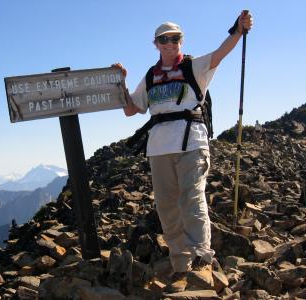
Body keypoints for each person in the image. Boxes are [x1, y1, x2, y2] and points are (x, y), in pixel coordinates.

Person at [114, 11, 253, 291]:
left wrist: (238, 30)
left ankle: (202, 259)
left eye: (175, 38)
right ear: (156, 43)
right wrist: (120, 80)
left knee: (191, 199)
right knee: (166, 208)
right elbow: (131, 109)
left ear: (181, 40)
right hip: (159, 149)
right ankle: (180, 265)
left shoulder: (195, 67)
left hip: (192, 143)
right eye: (164, 39)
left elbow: (221, 52)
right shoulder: (151, 77)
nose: (170, 43)